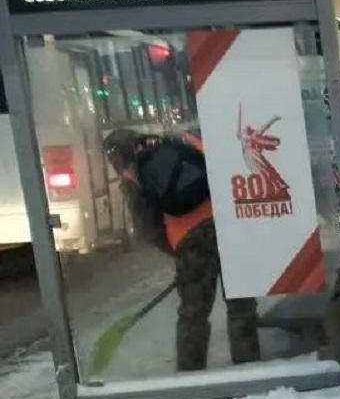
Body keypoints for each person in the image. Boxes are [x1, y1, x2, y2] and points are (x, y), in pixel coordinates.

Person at [104, 128, 261, 371]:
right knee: (241, 307)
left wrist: (182, 255)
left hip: (190, 238)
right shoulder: (179, 141)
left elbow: (150, 228)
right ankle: (250, 368)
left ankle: (191, 377)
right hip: (229, 225)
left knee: (193, 315)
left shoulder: (132, 174)